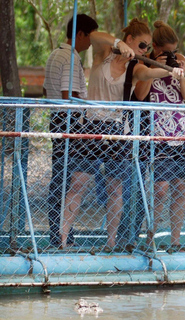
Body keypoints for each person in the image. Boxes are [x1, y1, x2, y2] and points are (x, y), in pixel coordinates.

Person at [61, 18, 184, 250]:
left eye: (147, 48)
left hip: (116, 131)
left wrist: (172, 70)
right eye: (142, 46)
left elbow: (148, 74)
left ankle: (111, 242)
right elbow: (95, 36)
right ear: (129, 40)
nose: (144, 51)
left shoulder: (134, 67)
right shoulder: (104, 53)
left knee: (114, 189)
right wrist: (118, 42)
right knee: (78, 184)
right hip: (90, 125)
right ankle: (62, 239)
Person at [133, 21, 185, 252]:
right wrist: (154, 68)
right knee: (160, 189)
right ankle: (150, 239)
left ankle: (175, 241)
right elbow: (140, 94)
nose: (170, 56)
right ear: (155, 48)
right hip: (157, 133)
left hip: (181, 132)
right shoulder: (144, 62)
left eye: (173, 50)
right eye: (165, 52)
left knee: (180, 188)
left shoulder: (180, 62)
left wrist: (182, 75)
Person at [43, 14, 99, 248]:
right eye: (90, 38)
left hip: (58, 120)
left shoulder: (56, 54)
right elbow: (68, 95)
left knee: (63, 179)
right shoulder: (71, 57)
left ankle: (62, 234)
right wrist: (88, 107)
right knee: (71, 180)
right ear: (80, 35)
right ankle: (61, 236)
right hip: (70, 121)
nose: (90, 44)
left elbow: (49, 91)